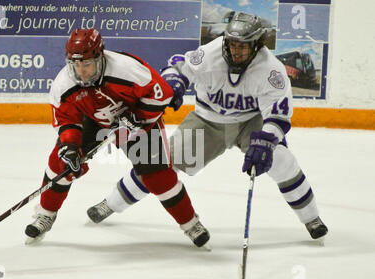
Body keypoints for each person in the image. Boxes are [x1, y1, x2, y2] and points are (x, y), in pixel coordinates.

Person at [87, 12, 328, 240]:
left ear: (257, 44)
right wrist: (175, 80)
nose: (236, 50)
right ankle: (111, 203)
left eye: (243, 45)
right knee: (159, 165)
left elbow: (278, 115)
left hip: (250, 123)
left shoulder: (272, 70)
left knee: (281, 160)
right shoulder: (211, 54)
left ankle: (312, 219)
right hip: (207, 121)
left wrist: (266, 140)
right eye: (232, 43)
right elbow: (178, 67)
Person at [25, 28, 211, 248]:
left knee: (158, 176)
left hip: (138, 120)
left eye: (86, 65)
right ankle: (45, 214)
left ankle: (190, 223)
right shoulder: (63, 85)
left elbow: (161, 93)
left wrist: (139, 117)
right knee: (61, 162)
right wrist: (70, 145)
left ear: (100, 56)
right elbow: (67, 120)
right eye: (76, 65)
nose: (81, 72)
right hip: (94, 120)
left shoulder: (127, 69)